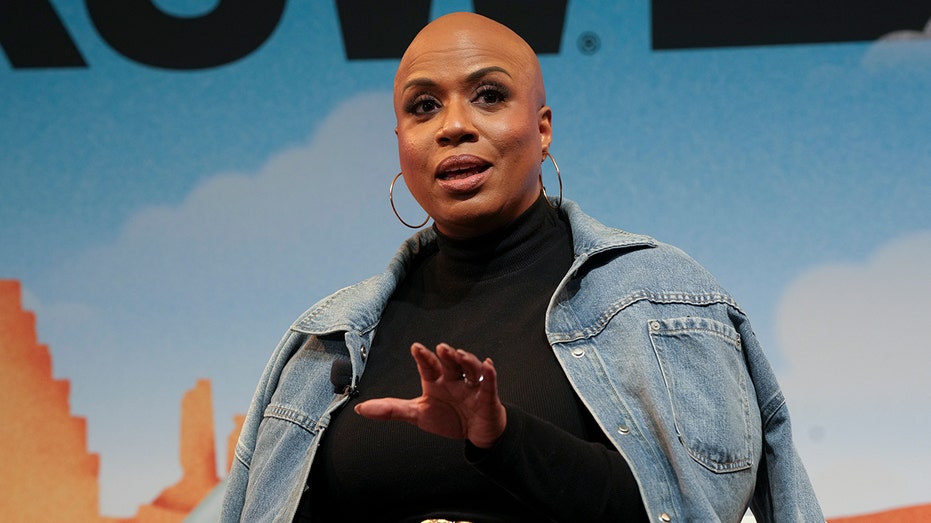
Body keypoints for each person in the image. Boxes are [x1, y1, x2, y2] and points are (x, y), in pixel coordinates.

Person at [221, 12, 823, 523]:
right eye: (424, 106)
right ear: (401, 142)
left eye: (489, 96)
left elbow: (691, 509)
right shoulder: (324, 340)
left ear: (542, 128)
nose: (454, 126)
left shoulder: (660, 298)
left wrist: (505, 439)